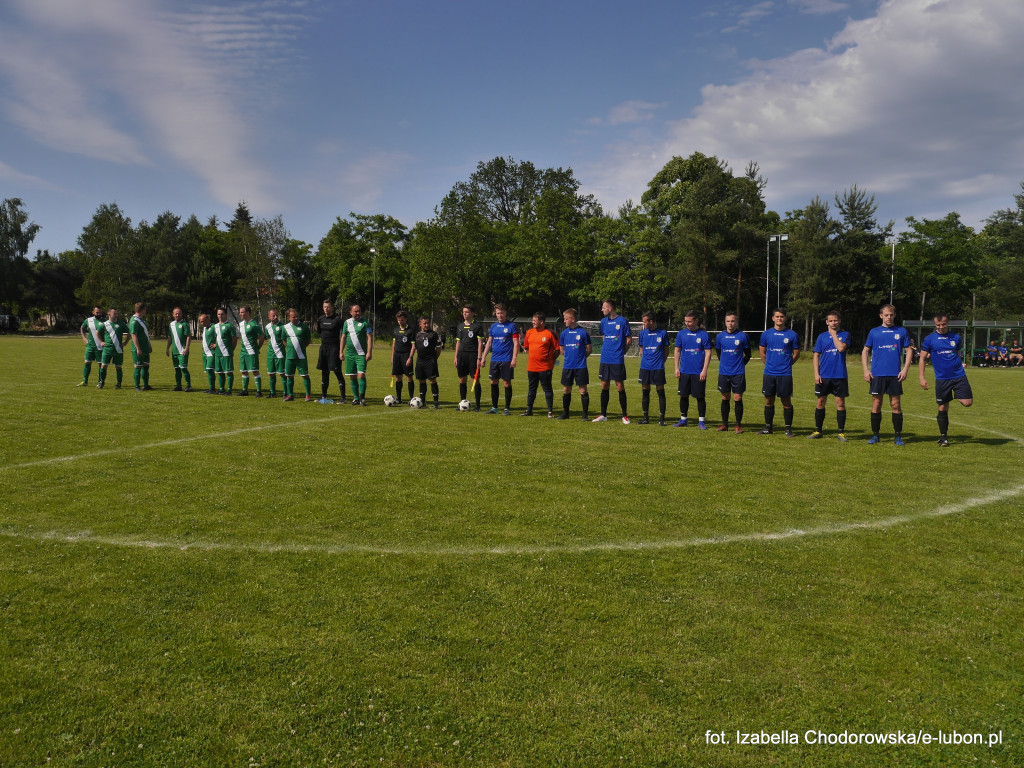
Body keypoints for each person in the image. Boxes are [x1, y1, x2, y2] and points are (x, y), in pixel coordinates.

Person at [861, 304, 913, 445]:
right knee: (876, 403)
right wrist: (866, 370)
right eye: (886, 315)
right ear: (881, 316)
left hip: (895, 374)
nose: (889, 317)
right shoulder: (874, 332)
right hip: (877, 374)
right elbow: (865, 351)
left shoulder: (901, 331)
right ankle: (875, 435)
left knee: (895, 404)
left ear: (894, 315)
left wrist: (905, 369)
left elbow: (909, 350)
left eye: (891, 315)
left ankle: (898, 436)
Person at [919, 313, 973, 447]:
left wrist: (960, 363)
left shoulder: (956, 337)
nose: (941, 327)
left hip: (959, 375)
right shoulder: (929, 339)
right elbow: (922, 358)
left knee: (967, 402)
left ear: (948, 323)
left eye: (943, 324)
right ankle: (943, 437)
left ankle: (956, 395)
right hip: (942, 378)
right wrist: (922, 377)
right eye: (938, 325)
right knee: (943, 406)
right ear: (935, 324)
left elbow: (957, 353)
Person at [809, 310, 850, 441]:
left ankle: (841, 432)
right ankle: (818, 430)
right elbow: (816, 355)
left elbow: (841, 348)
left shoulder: (845, 334)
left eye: (835, 320)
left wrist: (834, 335)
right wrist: (816, 374)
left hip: (839, 375)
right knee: (820, 402)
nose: (833, 323)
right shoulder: (821, 337)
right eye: (831, 321)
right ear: (827, 322)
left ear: (839, 321)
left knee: (840, 403)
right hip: (824, 376)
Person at [759, 308, 800, 437]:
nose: (779, 319)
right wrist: (769, 365)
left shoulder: (792, 335)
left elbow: (796, 354)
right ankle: (768, 427)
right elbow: (762, 352)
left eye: (782, 316)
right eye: (777, 316)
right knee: (768, 400)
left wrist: (787, 364)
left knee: (786, 401)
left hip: (785, 374)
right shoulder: (766, 334)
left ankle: (788, 429)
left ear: (785, 318)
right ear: (773, 318)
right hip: (769, 373)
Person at [673, 310, 712, 429]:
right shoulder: (681, 334)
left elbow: (708, 352)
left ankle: (701, 421)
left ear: (696, 320)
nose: (687, 323)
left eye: (690, 321)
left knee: (700, 397)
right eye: (686, 321)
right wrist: (676, 368)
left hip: (698, 372)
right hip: (684, 371)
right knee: (683, 396)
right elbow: (677, 350)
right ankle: (683, 419)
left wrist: (704, 370)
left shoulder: (703, 335)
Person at [595, 299, 631, 424]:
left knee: (619, 385)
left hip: (617, 359)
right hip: (605, 358)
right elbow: (603, 336)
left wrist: (621, 352)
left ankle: (624, 415)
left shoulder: (622, 321)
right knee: (604, 385)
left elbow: (629, 340)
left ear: (610, 308)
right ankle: (603, 415)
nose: (602, 309)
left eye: (603, 307)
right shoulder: (603, 322)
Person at [714, 311, 751, 433]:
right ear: (725, 322)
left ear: (736, 322)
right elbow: (718, 353)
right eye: (728, 321)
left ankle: (738, 425)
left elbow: (748, 354)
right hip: (724, 372)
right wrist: (725, 364)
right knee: (725, 397)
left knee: (737, 397)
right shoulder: (720, 337)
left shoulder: (743, 336)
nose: (730, 323)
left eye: (733, 321)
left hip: (738, 372)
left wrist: (740, 365)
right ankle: (724, 424)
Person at [481, 304, 520, 415]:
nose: (500, 315)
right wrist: (483, 357)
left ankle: (507, 408)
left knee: (506, 383)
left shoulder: (512, 326)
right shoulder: (493, 327)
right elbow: (489, 342)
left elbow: (516, 343)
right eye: (498, 313)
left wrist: (514, 358)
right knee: (493, 382)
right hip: (494, 359)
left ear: (505, 313)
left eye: (501, 313)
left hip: (507, 359)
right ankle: (494, 408)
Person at [522, 312, 560, 417]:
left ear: (542, 322)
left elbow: (557, 349)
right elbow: (526, 347)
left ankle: (550, 411)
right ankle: (529, 410)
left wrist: (551, 360)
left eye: (535, 320)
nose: (533, 322)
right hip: (532, 367)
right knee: (531, 389)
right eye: (532, 320)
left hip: (545, 367)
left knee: (547, 388)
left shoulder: (550, 333)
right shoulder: (529, 332)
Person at [558, 308, 591, 420]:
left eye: (566, 319)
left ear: (573, 319)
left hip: (580, 366)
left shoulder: (583, 332)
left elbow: (589, 349)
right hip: (567, 366)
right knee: (566, 389)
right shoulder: (564, 333)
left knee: (583, 390)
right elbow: (561, 349)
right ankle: (565, 413)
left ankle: (585, 415)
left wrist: (580, 358)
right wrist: (568, 357)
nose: (564, 321)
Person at [637, 311, 669, 425]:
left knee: (660, 392)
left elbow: (666, 350)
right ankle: (645, 418)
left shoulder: (663, 333)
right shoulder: (642, 334)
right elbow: (641, 349)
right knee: (645, 392)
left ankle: (662, 419)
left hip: (658, 368)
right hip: (645, 367)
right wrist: (646, 360)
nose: (643, 324)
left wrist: (660, 362)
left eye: (644, 322)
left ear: (651, 321)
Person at [454, 304, 485, 411]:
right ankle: (462, 402)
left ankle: (478, 405)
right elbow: (458, 342)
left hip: (473, 355)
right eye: (463, 312)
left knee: (475, 380)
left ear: (472, 313)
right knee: (462, 379)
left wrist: (479, 358)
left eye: (467, 312)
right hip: (461, 355)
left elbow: (480, 343)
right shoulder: (460, 326)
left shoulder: (477, 326)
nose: (464, 314)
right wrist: (456, 357)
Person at [341, 303, 373, 405]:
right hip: (350, 354)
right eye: (356, 311)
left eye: (359, 311)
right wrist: (341, 351)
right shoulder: (347, 323)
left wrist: (369, 352)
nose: (358, 313)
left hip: (361, 354)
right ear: (351, 312)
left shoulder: (365, 323)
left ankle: (362, 397)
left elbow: (369, 337)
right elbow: (343, 337)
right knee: (352, 376)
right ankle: (356, 398)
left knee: (361, 374)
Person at [316, 300, 347, 402]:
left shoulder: (338, 320)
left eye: (328, 307)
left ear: (332, 308)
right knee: (325, 372)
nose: (326, 309)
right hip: (323, 349)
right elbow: (319, 332)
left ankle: (343, 398)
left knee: (337, 372)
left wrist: (341, 350)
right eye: (324, 307)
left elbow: (345, 334)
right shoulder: (320, 319)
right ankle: (324, 396)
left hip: (334, 349)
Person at [411, 315, 442, 409]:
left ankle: (436, 403)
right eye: (425, 323)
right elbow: (415, 348)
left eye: (428, 323)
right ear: (420, 324)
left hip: (430, 361)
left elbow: (438, 348)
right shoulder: (417, 335)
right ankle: (422, 402)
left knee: (432, 381)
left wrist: (434, 358)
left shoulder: (433, 334)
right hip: (420, 361)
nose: (427, 325)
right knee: (421, 381)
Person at [282, 308, 312, 402]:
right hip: (289, 356)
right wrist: (291, 349)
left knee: (305, 375)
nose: (296, 318)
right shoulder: (285, 327)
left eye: (297, 316)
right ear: (289, 318)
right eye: (293, 317)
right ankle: (290, 395)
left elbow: (308, 340)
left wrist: (300, 348)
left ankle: (308, 395)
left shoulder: (304, 327)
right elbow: (284, 340)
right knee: (289, 376)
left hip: (301, 356)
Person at [97, 308, 129, 389]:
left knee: (118, 367)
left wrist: (125, 342)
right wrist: (101, 342)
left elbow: (129, 333)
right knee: (104, 366)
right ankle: (101, 382)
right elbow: (97, 333)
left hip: (118, 349)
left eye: (117, 313)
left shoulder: (121, 324)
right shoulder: (104, 324)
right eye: (114, 313)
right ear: (109, 314)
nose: (116, 315)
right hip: (107, 349)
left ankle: (119, 384)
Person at [237, 305, 264, 397]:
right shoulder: (241, 324)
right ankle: (245, 391)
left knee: (255, 371)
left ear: (248, 313)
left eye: (242, 312)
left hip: (252, 351)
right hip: (243, 352)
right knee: (243, 371)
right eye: (240, 312)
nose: (240, 314)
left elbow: (261, 337)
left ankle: (259, 392)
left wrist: (257, 348)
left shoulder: (254, 324)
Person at [212, 307, 237, 395]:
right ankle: (221, 389)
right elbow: (217, 338)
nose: (220, 316)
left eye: (222, 314)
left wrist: (231, 349)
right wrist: (216, 345)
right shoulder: (215, 326)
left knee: (229, 372)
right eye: (219, 314)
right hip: (218, 353)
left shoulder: (230, 326)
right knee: (220, 372)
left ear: (226, 315)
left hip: (227, 352)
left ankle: (229, 390)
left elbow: (234, 339)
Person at [390, 311, 415, 404]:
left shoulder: (410, 330)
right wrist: (392, 356)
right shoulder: (396, 330)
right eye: (398, 320)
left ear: (406, 319)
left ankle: (411, 398)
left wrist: (410, 357)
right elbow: (394, 344)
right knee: (398, 377)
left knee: (409, 377)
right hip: (397, 355)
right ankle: (399, 398)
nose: (400, 322)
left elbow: (413, 346)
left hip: (406, 355)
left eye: (402, 320)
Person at [166, 307, 192, 392]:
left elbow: (188, 336)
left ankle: (188, 386)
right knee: (177, 369)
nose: (177, 315)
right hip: (175, 352)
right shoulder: (171, 324)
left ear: (182, 314)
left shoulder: (185, 324)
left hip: (183, 351)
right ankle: (178, 386)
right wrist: (167, 348)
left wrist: (186, 348)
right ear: (173, 314)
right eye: (176, 313)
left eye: (179, 313)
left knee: (183, 368)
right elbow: (170, 337)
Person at [129, 302, 153, 391]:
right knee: (138, 367)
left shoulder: (142, 320)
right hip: (138, 348)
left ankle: (146, 385)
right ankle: (137, 386)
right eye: (145, 309)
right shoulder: (134, 321)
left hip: (145, 347)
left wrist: (149, 344)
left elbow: (145, 334)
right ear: (143, 310)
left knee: (146, 366)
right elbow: (133, 335)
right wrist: (138, 348)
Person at [79, 306, 105, 386]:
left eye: (100, 312)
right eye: (97, 312)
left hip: (100, 347)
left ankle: (100, 382)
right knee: (87, 362)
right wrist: (84, 338)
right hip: (90, 346)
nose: (99, 314)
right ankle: (85, 381)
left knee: (101, 364)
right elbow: (82, 328)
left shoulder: (105, 321)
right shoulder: (88, 320)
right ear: (93, 312)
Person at [264, 308, 286, 398]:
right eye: (273, 316)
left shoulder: (283, 326)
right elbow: (267, 337)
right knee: (271, 373)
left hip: (280, 353)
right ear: (269, 317)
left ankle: (285, 393)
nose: (276, 317)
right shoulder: (267, 327)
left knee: (282, 374)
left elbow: (285, 340)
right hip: (270, 354)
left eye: (277, 315)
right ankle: (272, 393)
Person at [199, 314, 216, 393]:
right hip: (205, 353)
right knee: (208, 371)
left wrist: (216, 344)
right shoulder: (205, 328)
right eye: (201, 322)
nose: (202, 323)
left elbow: (221, 336)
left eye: (204, 321)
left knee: (210, 370)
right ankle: (211, 388)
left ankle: (212, 388)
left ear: (208, 319)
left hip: (211, 353)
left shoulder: (214, 327)